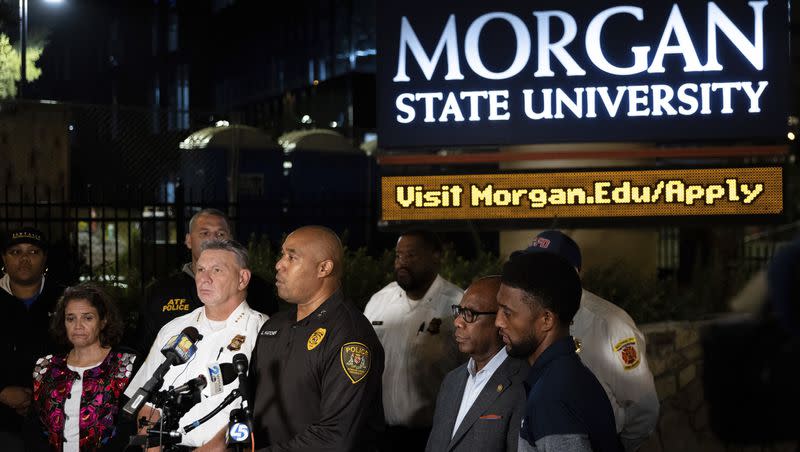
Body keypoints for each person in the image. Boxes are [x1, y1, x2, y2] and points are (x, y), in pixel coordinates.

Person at [514, 230, 659, 451]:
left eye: (544, 267)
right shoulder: (524, 314)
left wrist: (615, 446)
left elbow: (644, 408)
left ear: (573, 273)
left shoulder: (611, 324)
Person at [249, 225, 384, 451]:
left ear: (324, 268)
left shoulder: (350, 336)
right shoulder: (274, 325)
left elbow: (334, 437)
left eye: (291, 257)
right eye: (282, 255)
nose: (279, 264)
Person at [125, 239, 267, 449]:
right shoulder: (174, 328)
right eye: (200, 269)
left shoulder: (263, 330)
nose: (204, 278)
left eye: (217, 270)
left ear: (242, 278)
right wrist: (152, 446)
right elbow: (149, 405)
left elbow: (262, 411)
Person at [496, 252, 622, 452]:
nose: (498, 322)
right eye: (498, 309)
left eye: (508, 313)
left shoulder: (553, 395)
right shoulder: (565, 375)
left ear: (546, 319)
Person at [364, 229, 463, 451]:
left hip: (433, 435)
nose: (402, 263)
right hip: (381, 435)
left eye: (411, 255)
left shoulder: (457, 303)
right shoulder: (379, 302)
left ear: (436, 256)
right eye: (399, 256)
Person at [135, 208, 278, 354]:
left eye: (220, 234)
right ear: (189, 240)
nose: (213, 239)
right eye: (204, 233)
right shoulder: (161, 292)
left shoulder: (258, 289)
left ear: (231, 239)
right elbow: (142, 349)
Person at [27, 283, 136, 451]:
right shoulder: (45, 366)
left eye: (87, 318)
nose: (78, 326)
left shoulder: (125, 366)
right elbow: (33, 428)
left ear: (103, 321)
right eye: (71, 318)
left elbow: (129, 429)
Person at [426, 276, 528, 452]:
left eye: (470, 314)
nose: (458, 322)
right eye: (459, 311)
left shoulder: (524, 384)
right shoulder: (451, 381)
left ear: (501, 319)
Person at [1, 227, 65, 451]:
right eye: (16, 252)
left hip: (58, 422)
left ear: (45, 258)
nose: (24, 259)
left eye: (33, 252)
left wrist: (41, 397)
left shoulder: (66, 301)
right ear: (4, 258)